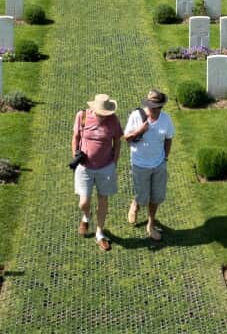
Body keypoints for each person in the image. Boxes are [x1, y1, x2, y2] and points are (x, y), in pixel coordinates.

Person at [72, 94, 123, 251]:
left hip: (105, 167)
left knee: (103, 200)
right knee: (83, 202)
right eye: (102, 114)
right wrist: (75, 156)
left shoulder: (113, 119)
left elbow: (118, 141)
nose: (104, 117)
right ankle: (86, 216)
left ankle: (99, 233)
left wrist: (114, 162)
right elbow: (75, 137)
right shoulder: (82, 116)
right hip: (85, 168)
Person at [124, 89, 174, 241]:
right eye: (149, 105)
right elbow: (126, 138)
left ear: (160, 107)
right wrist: (140, 130)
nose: (151, 109)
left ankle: (150, 224)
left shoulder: (166, 120)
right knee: (143, 197)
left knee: (156, 197)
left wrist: (165, 158)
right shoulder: (136, 117)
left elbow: (168, 138)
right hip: (139, 164)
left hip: (158, 164)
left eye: (154, 106)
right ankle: (136, 204)